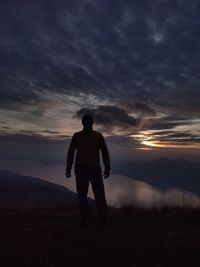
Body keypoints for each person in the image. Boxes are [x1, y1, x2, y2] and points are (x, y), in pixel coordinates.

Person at [65, 114, 110, 226]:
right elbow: (71, 153)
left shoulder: (97, 136)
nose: (88, 124)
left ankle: (102, 219)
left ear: (91, 123)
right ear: (84, 123)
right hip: (82, 169)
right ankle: (85, 219)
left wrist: (107, 167)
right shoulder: (77, 136)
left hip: (92, 169)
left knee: (98, 195)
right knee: (83, 195)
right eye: (87, 122)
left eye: (89, 122)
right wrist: (68, 167)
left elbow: (105, 152)